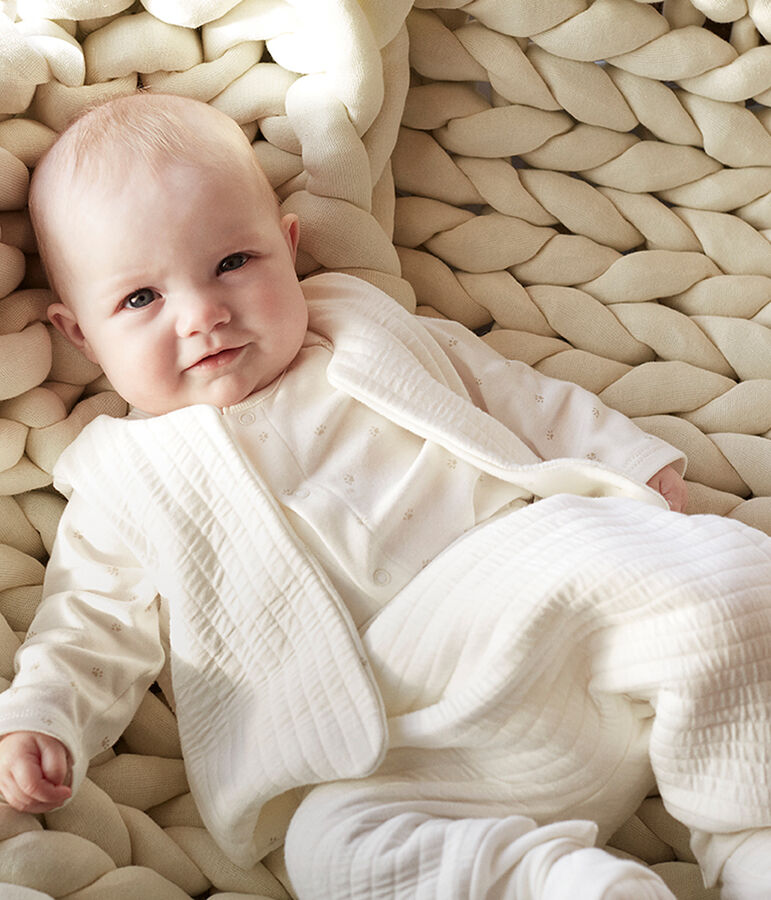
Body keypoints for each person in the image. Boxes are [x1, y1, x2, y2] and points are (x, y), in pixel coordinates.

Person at [0, 91, 768, 900]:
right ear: (80, 334)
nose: (202, 315)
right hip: (390, 740)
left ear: (287, 249)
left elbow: (512, 394)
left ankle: (751, 844)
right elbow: (88, 620)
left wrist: (626, 460)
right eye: (141, 299)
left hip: (528, 603)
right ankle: (569, 888)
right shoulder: (121, 475)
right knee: (331, 851)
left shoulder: (364, 328)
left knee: (720, 577)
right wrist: (43, 717)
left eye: (232, 263)